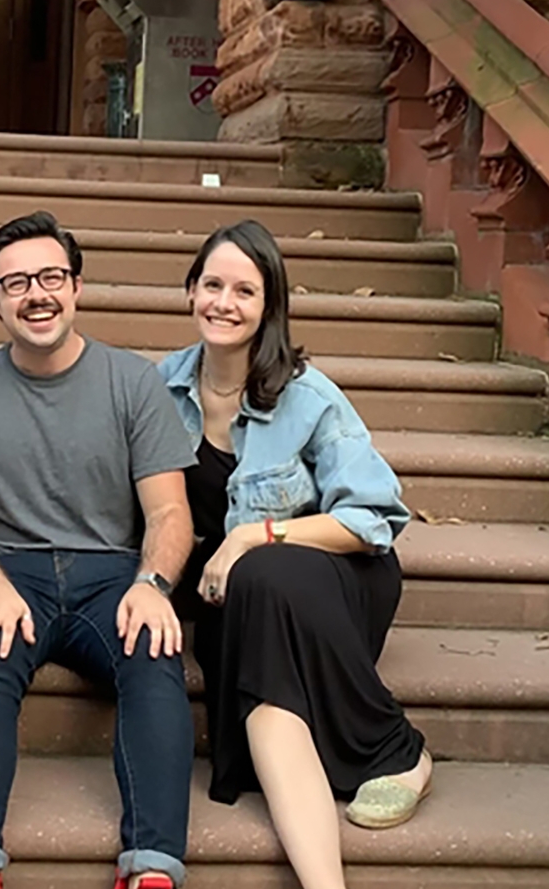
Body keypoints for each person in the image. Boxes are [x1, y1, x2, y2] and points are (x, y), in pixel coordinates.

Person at [0, 210, 198, 889]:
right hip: (7, 571)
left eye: (50, 276)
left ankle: (153, 868)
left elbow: (169, 512)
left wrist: (153, 585)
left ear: (76, 287)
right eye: (15, 283)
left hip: (113, 576)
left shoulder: (133, 383)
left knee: (154, 656)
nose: (36, 293)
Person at [157, 220, 431, 889]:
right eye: (212, 285)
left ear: (268, 307)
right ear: (191, 291)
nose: (224, 302)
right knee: (262, 650)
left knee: (264, 569)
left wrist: (255, 534)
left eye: (244, 291)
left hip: (335, 578)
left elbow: (374, 518)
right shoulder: (157, 391)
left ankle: (400, 751)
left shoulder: (307, 395)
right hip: (238, 594)